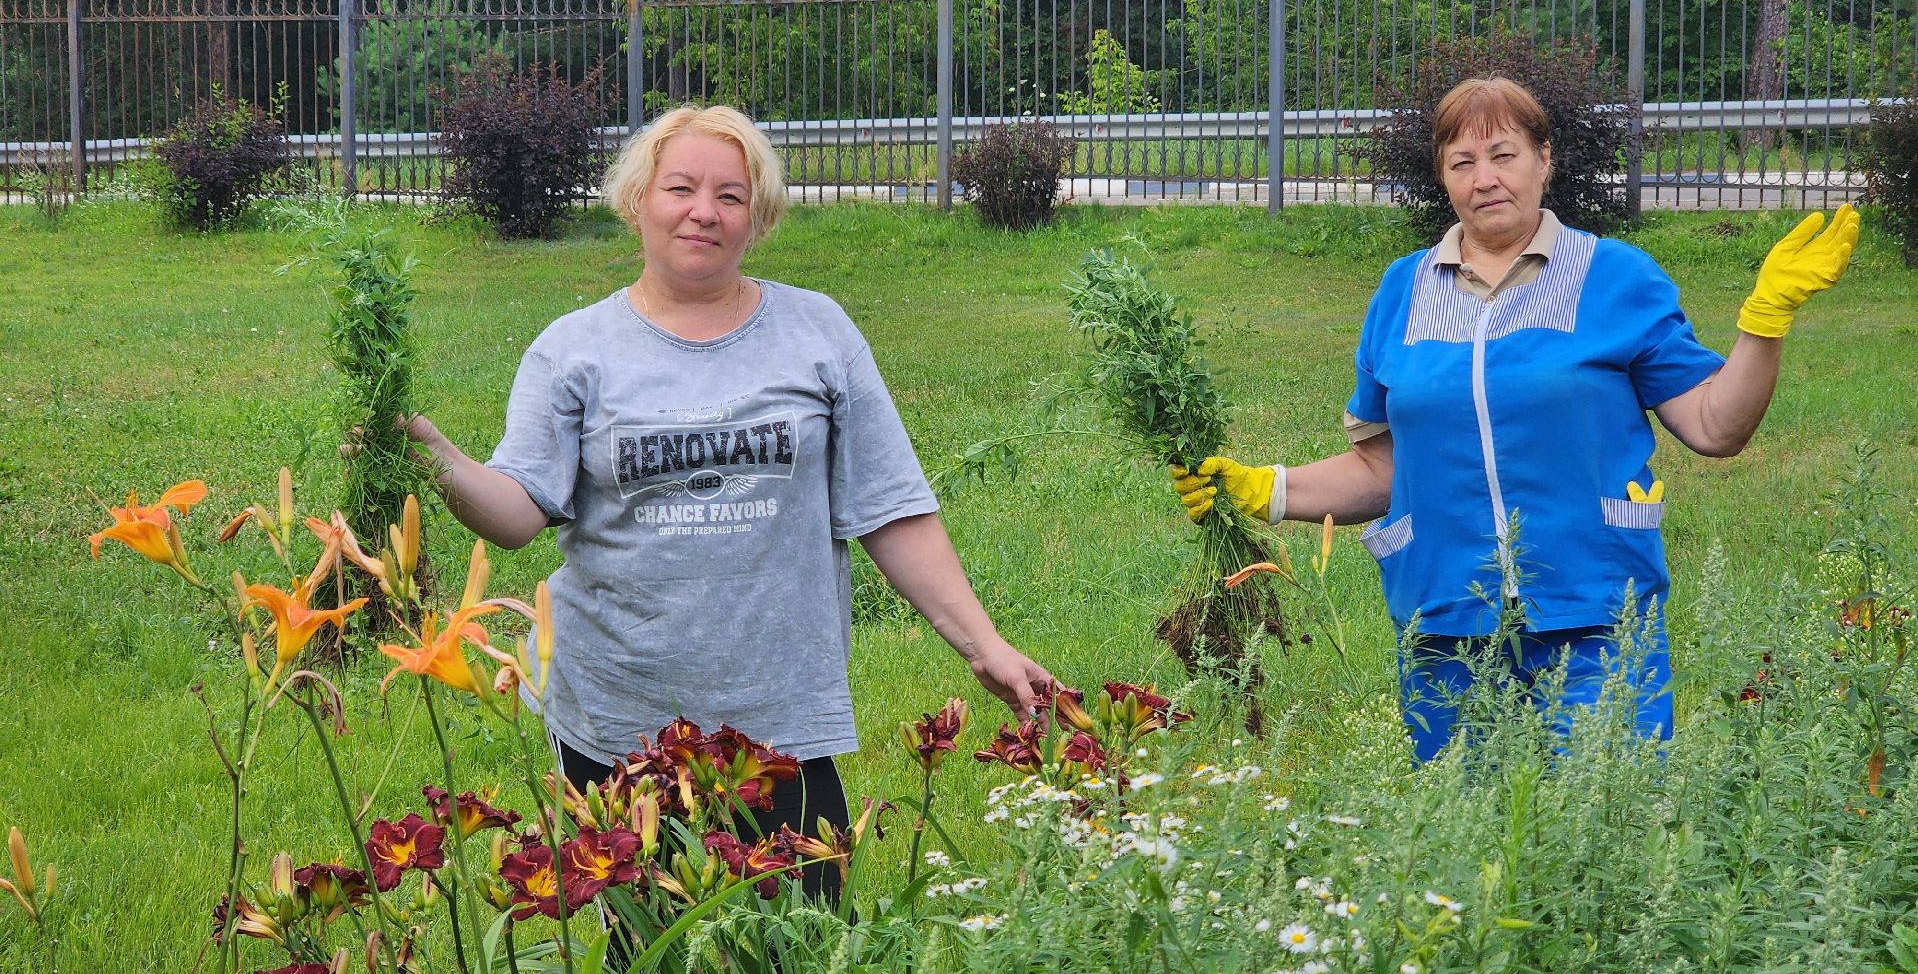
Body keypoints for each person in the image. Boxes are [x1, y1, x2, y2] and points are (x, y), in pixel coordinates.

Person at [402, 104, 1052, 862]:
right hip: (618, 714)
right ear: (638, 202)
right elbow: (518, 512)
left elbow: (890, 509)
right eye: (679, 189)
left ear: (759, 218)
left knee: (797, 942)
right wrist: (424, 449)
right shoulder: (574, 351)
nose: (702, 213)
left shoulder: (819, 333)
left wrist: (984, 647)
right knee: (647, 948)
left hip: (778, 717)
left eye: (731, 197)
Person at [1174, 76, 1859, 762]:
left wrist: (1763, 321)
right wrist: (1268, 489)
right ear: (1442, 177)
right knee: (1461, 839)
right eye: (1462, 163)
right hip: (1445, 617)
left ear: (1544, 160)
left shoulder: (1615, 277)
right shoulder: (1400, 292)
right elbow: (1382, 469)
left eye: (1504, 154)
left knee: (1603, 824)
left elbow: (1716, 426)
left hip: (1595, 609)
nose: (1485, 179)